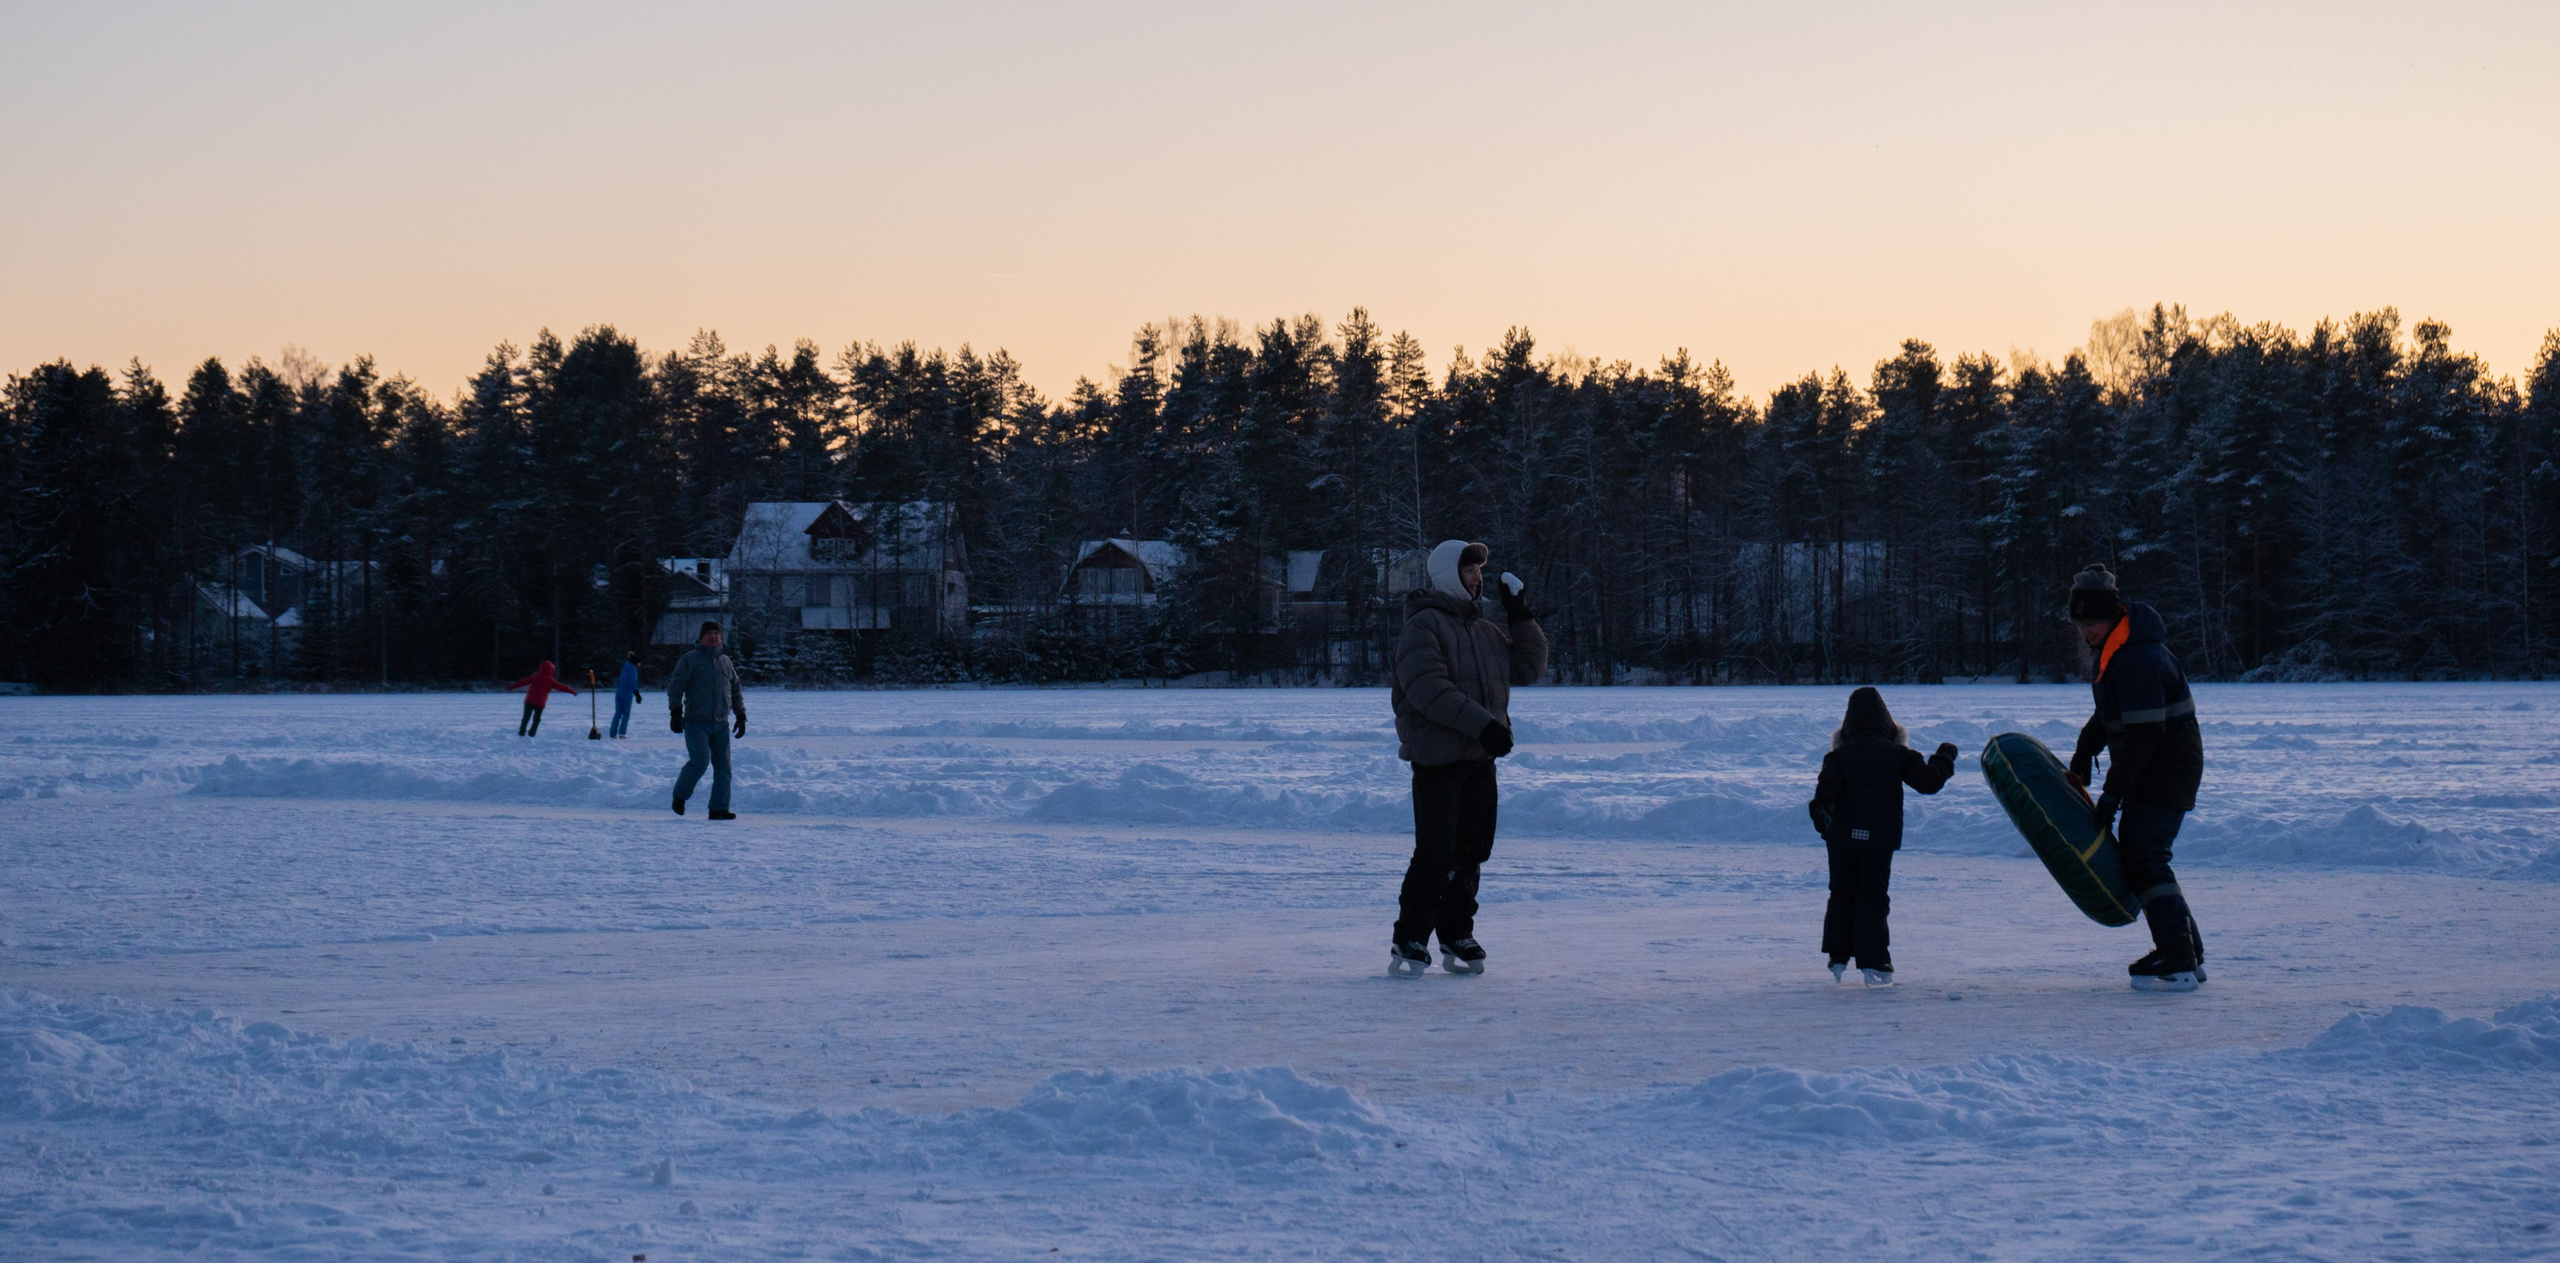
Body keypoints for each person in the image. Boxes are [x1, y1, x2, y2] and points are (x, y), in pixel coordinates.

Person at [1386, 539, 1548, 978]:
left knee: (1472, 850)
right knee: (1437, 853)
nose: (1476, 578)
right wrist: (1483, 724)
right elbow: (1430, 690)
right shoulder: (1422, 628)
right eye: (1468, 570)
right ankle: (1411, 936)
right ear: (1445, 576)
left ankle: (1456, 931)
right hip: (1438, 759)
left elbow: (1529, 668)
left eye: (1479, 571)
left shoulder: (1483, 630)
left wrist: (1520, 615)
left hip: (1479, 757)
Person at [2066, 564, 2208, 992]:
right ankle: (2188, 952)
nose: (2086, 632)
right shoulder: (2116, 649)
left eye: (2091, 623)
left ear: (2111, 617)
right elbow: (2112, 711)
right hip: (2158, 768)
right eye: (2080, 625)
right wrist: (2085, 746)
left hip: (2167, 770)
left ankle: (2177, 955)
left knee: (2144, 854)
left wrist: (2110, 797)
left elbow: (2143, 737)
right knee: (2147, 856)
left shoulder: (2139, 658)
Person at [1806, 687, 1958, 987]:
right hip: (1878, 838)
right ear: (1887, 724)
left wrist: (1824, 821)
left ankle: (1838, 955)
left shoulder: (1837, 757)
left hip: (1842, 839)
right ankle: (1875, 962)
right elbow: (1929, 782)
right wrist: (1945, 756)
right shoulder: (1897, 754)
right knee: (1872, 896)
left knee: (1841, 892)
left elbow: (1822, 800)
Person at [667, 621, 746, 820]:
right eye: (709, 633)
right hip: (696, 722)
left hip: (721, 723)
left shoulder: (726, 662)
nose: (713, 637)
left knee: (724, 769)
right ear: (701, 638)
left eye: (716, 634)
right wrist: (676, 712)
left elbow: (735, 689)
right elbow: (676, 686)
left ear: (721, 638)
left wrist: (741, 715)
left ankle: (719, 809)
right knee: (700, 761)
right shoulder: (690, 659)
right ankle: (680, 795)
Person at [507, 660, 575, 737]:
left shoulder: (535, 676)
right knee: (536, 719)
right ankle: (532, 734)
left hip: (529, 700)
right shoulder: (551, 680)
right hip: (540, 703)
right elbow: (562, 687)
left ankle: (521, 732)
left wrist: (511, 687)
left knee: (526, 718)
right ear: (551, 670)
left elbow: (523, 682)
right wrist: (572, 691)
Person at [610, 650, 644, 739]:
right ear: (636, 663)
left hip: (619, 691)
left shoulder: (625, 667)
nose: (639, 665)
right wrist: (637, 694)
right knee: (626, 713)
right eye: (639, 664)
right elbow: (632, 683)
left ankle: (612, 732)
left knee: (618, 713)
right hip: (626, 693)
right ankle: (622, 732)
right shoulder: (633, 670)